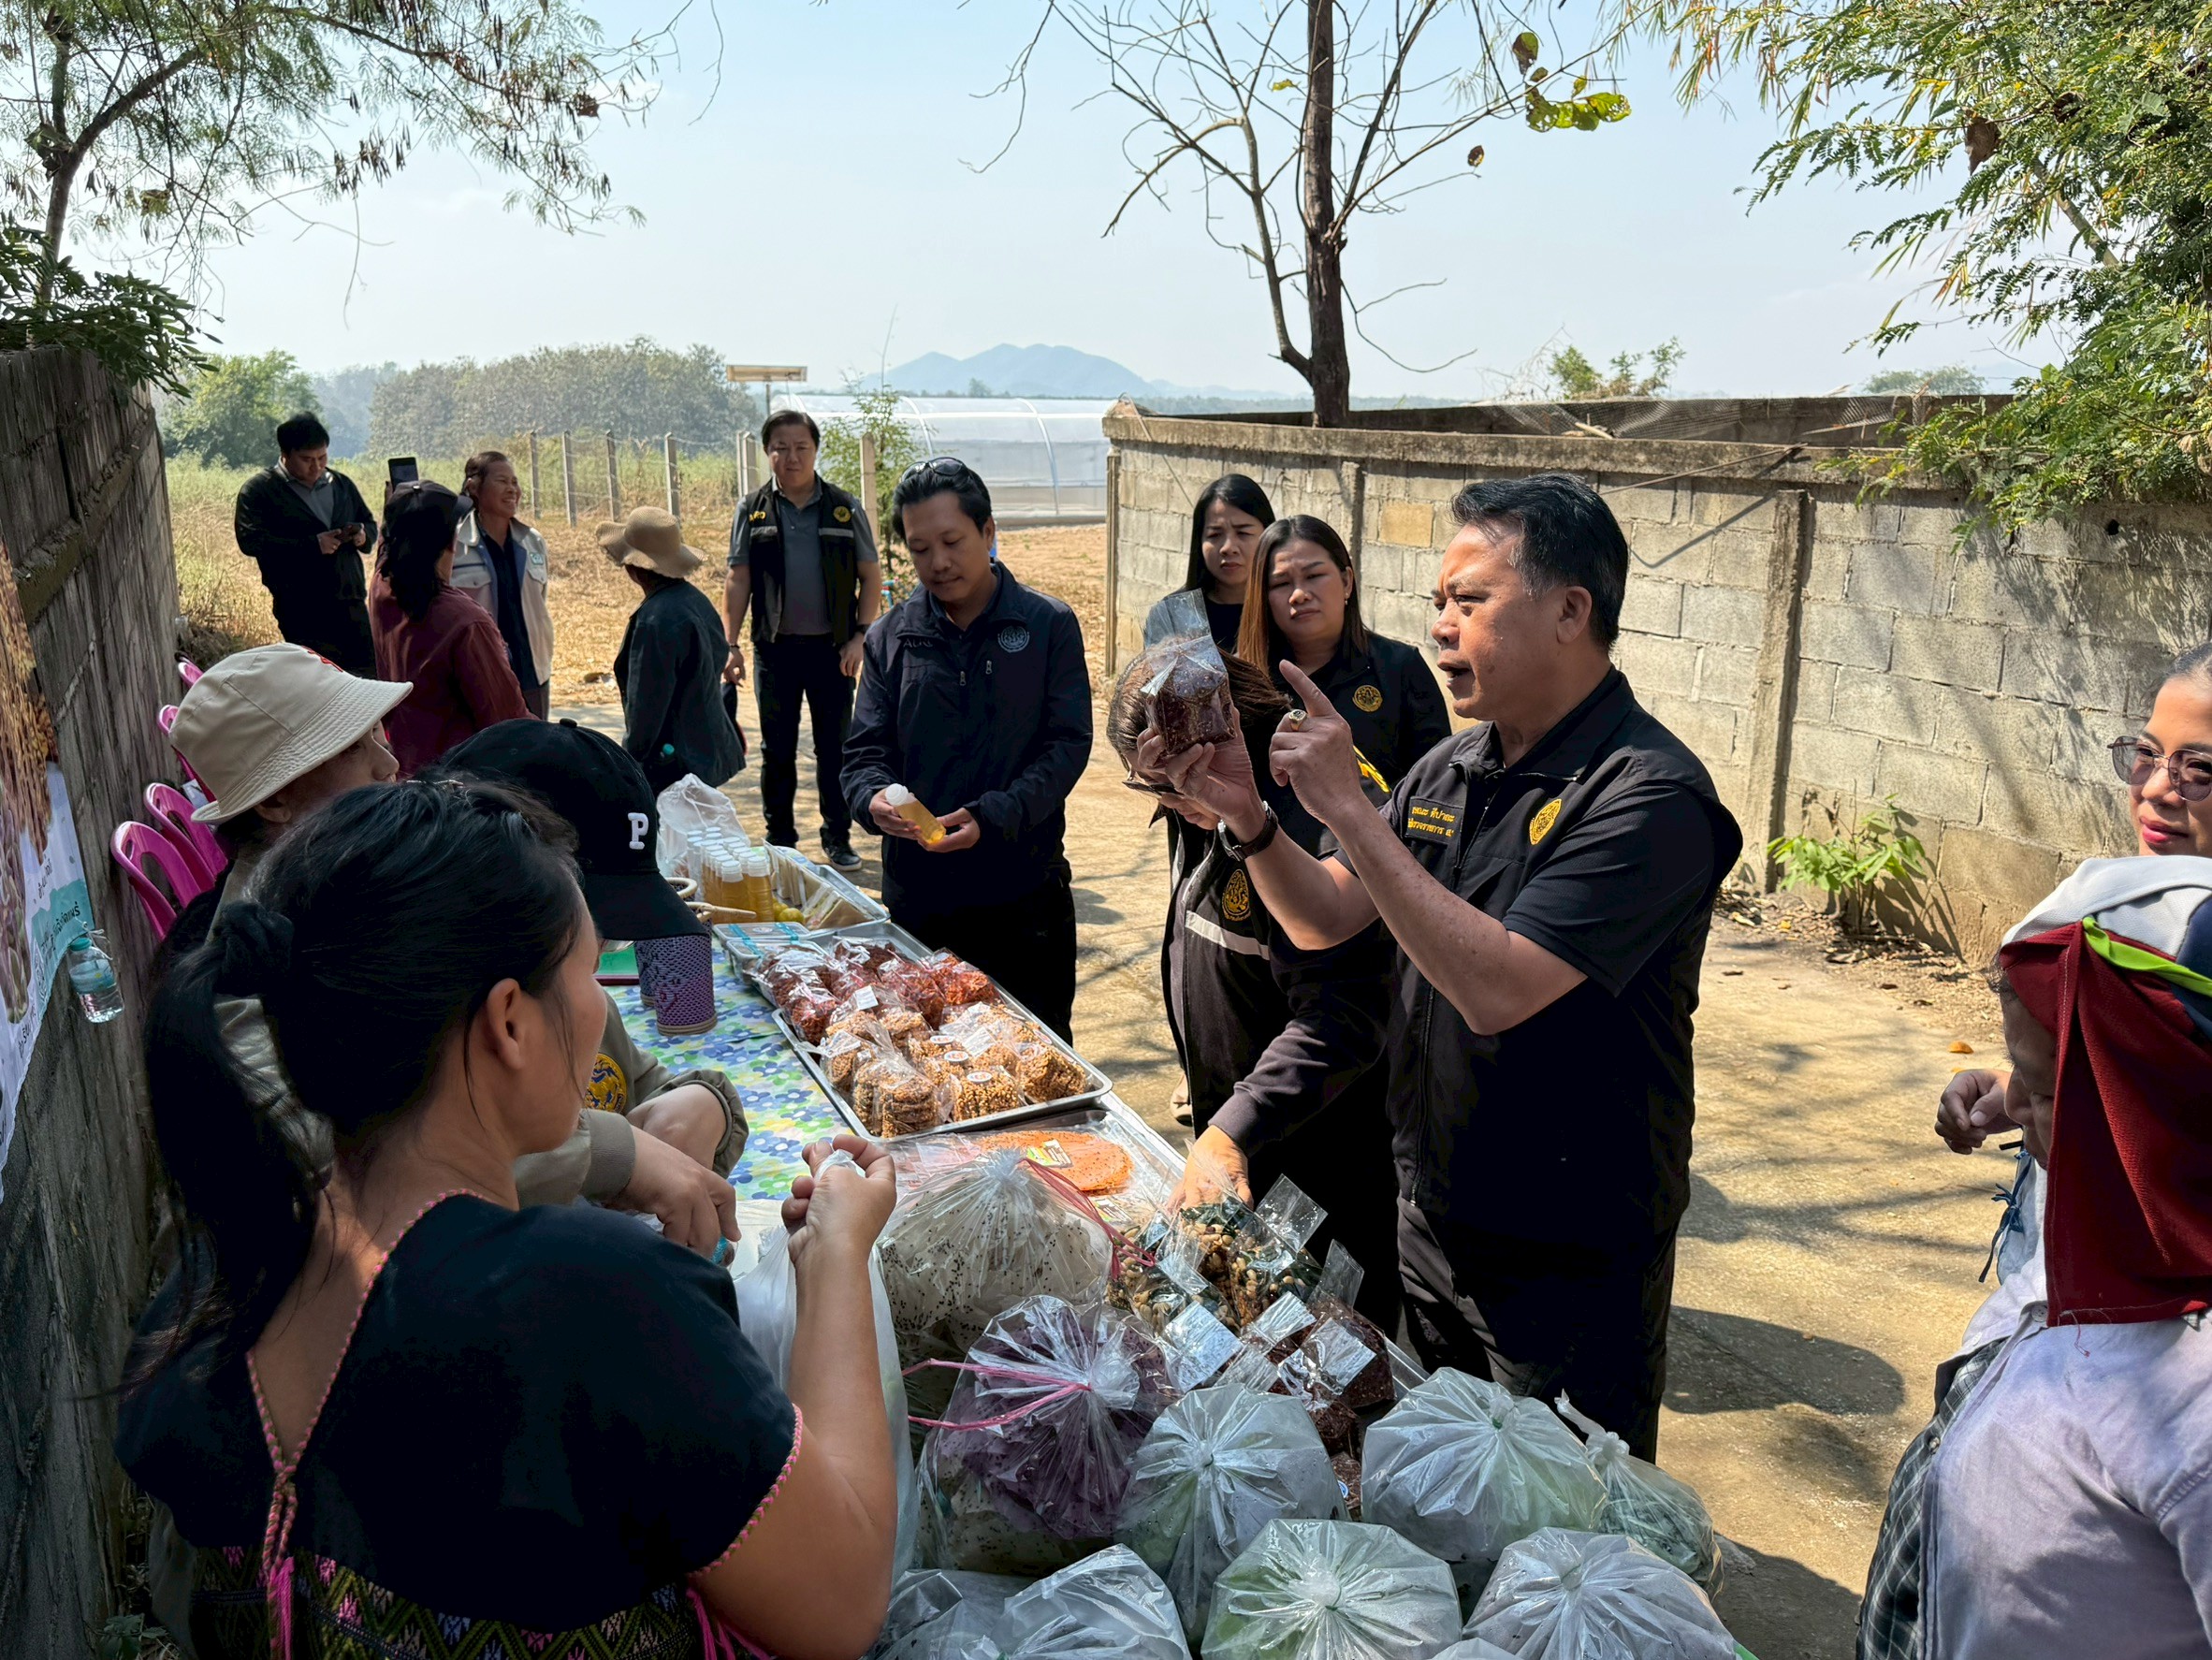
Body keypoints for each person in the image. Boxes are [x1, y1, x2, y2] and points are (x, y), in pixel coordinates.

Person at [116, 781, 899, 1660]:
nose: (603, 1000)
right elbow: (842, 1603)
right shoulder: (594, 1307)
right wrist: (835, 1255)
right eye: (588, 967)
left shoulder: (215, 1285)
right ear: (509, 1024)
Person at [1140, 472, 1741, 1459]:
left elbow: (1497, 985)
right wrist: (1249, 820)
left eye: (1471, 602)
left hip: (1565, 1254)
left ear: (1569, 611)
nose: (1442, 628)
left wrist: (1340, 805)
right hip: (1432, 1221)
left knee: (1562, 1522)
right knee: (1447, 1491)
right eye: (1436, 605)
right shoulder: (1453, 771)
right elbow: (1328, 916)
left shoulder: (1649, 796)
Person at [1858, 642, 2212, 1660]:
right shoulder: (2122, 914)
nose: (2157, 786)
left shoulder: (2181, 1398)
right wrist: (2022, 1093)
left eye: (2201, 768)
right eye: (2149, 751)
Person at [162, 643, 740, 1250]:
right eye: (354, 747)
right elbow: (337, 1157)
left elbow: (627, 1076)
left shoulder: (382, 900)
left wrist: (707, 1102)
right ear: (275, 800)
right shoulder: (264, 961)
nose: (389, 765)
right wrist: (608, 1151)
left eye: (380, 737)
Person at [1908, 853, 2212, 1659]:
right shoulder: (2107, 1258)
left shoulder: (2192, 1403)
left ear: (2158, 1106)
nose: (2023, 1129)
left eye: (2043, 1095)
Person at [1150, 657, 1402, 1328]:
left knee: (1332, 1358)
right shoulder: (1205, 810)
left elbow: (1342, 1017)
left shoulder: (1326, 812)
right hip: (1247, 1146)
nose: (1174, 805)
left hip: (1326, 1161)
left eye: (1175, 787)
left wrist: (1236, 1125)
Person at [841, 457, 1092, 1040]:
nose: (938, 562)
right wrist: (872, 799)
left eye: (952, 541)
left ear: (988, 532)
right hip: (921, 903)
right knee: (928, 1071)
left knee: (1038, 1066)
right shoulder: (891, 636)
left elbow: (1066, 745)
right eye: (919, 548)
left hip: (1023, 897)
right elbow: (863, 751)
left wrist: (994, 815)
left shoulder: (1045, 624)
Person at [725, 411, 883, 871]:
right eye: (780, 447)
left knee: (835, 747)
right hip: (774, 651)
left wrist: (860, 636)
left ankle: (838, 837)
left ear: (815, 450)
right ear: (768, 452)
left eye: (801, 447)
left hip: (834, 651)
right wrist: (729, 644)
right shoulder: (752, 510)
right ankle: (780, 840)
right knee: (777, 749)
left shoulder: (842, 507)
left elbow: (870, 577)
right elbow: (738, 579)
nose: (790, 457)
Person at [1235, 514, 1451, 789]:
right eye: (1281, 583)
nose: (1299, 594)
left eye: (1313, 575)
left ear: (1347, 581)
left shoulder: (1399, 668)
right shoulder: (1243, 683)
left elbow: (1437, 785)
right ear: (1262, 597)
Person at [369, 479, 531, 775]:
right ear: (449, 542)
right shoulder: (465, 622)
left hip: (406, 768)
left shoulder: (381, 586)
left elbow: (386, 545)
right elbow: (508, 723)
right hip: (460, 785)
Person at [608, 505, 745, 794]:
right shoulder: (696, 600)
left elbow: (647, 708)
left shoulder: (655, 621)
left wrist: (629, 766)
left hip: (674, 766)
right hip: (705, 753)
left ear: (633, 569)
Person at [231, 413, 378, 674]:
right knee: (318, 683)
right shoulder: (259, 492)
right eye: (307, 460)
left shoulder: (341, 484)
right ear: (285, 454)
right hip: (301, 608)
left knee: (366, 679)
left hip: (350, 602)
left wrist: (362, 535)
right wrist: (312, 545)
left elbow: (369, 523)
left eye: (322, 458)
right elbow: (251, 542)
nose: (317, 466)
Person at [451, 449, 555, 718]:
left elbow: (539, 601)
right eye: (502, 481)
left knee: (538, 752)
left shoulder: (532, 541)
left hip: (532, 672)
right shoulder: (455, 546)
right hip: (481, 675)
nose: (513, 490)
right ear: (474, 487)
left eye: (515, 482)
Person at [1142, 473, 1274, 654]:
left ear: (1268, 536)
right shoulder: (1172, 616)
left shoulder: (1283, 610)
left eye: (1243, 533)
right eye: (1214, 535)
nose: (1228, 548)